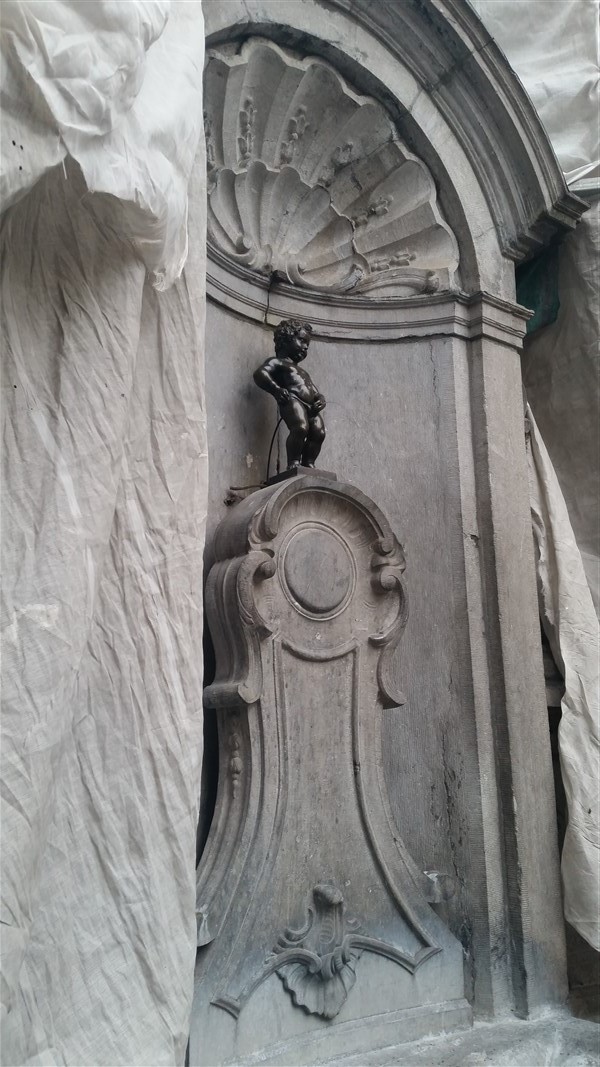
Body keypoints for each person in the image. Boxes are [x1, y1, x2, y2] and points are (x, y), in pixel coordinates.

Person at [253, 319, 326, 469]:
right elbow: (260, 373)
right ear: (286, 339)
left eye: (307, 344)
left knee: (319, 432)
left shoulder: (303, 371)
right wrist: (276, 389)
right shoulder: (277, 362)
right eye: (302, 341)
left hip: (311, 407)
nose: (305, 347)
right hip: (292, 399)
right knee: (300, 427)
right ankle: (293, 462)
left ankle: (309, 463)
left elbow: (313, 389)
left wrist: (321, 398)